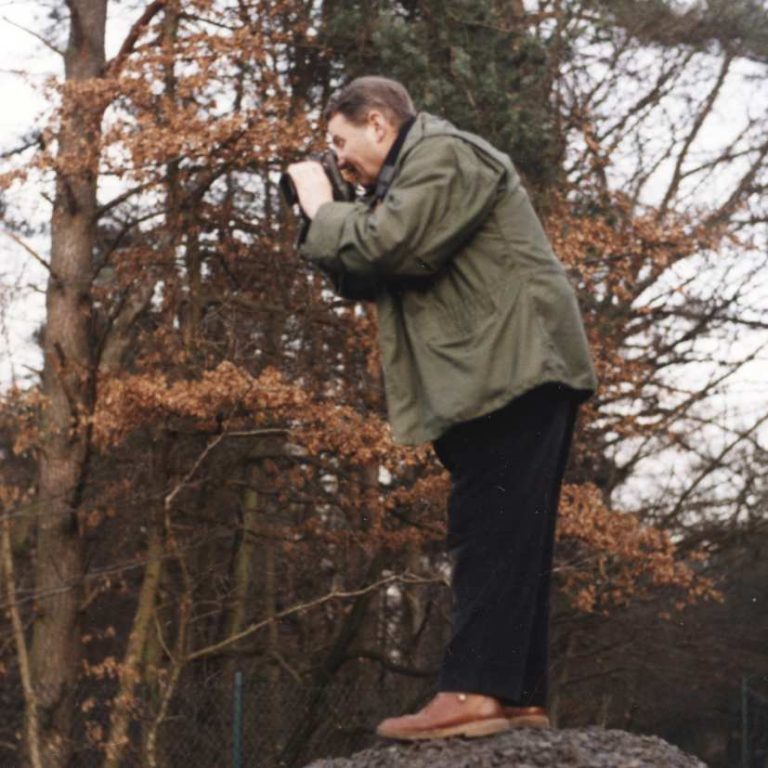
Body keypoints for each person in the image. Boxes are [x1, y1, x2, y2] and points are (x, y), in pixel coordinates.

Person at [287, 76, 598, 741]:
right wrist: (321, 217)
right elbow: (363, 269)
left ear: (378, 122)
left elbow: (387, 245)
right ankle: (513, 693)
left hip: (515, 368)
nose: (337, 158)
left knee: (487, 527)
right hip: (503, 368)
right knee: (511, 530)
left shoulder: (444, 154)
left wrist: (322, 206)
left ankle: (474, 689)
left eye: (340, 141)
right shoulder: (409, 180)